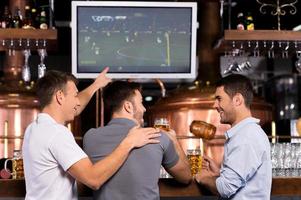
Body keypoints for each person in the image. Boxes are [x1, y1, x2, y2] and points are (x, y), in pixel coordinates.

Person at [22, 68, 161, 200]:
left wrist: (96, 85)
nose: (77, 102)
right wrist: (129, 142)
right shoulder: (57, 133)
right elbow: (93, 180)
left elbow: (75, 108)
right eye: (75, 95)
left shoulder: (34, 128)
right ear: (59, 97)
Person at [83, 80, 192, 200]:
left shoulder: (90, 137)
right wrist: (174, 141)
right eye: (141, 103)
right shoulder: (157, 136)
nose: (144, 109)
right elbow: (186, 177)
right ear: (128, 107)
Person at [195, 74, 272, 199]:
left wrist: (203, 177)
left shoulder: (247, 136)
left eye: (219, 99)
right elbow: (241, 184)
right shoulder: (246, 133)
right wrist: (219, 174)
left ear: (237, 100)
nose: (215, 105)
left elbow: (225, 188)